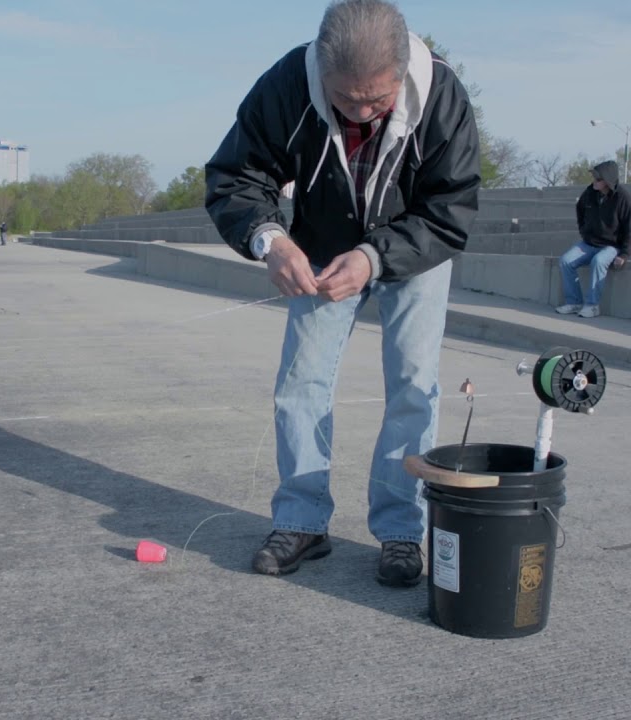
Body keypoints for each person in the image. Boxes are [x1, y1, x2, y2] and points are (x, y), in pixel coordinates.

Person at [205, 0, 481, 587]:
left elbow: (450, 211)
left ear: (403, 69)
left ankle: (402, 530)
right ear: (320, 70)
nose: (360, 111)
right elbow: (235, 177)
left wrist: (376, 256)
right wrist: (269, 239)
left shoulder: (442, 96)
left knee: (414, 385)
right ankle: (302, 519)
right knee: (300, 382)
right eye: (344, 98)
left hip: (414, 251)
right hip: (322, 245)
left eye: (376, 100)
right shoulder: (285, 86)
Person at [555, 160, 631, 318]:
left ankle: (592, 306)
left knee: (599, 261)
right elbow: (579, 211)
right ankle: (574, 302)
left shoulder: (625, 199)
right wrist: (584, 231)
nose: (594, 182)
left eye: (598, 179)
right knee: (565, 261)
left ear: (608, 181)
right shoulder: (589, 193)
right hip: (589, 243)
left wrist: (624, 254)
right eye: (594, 178)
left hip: (612, 246)